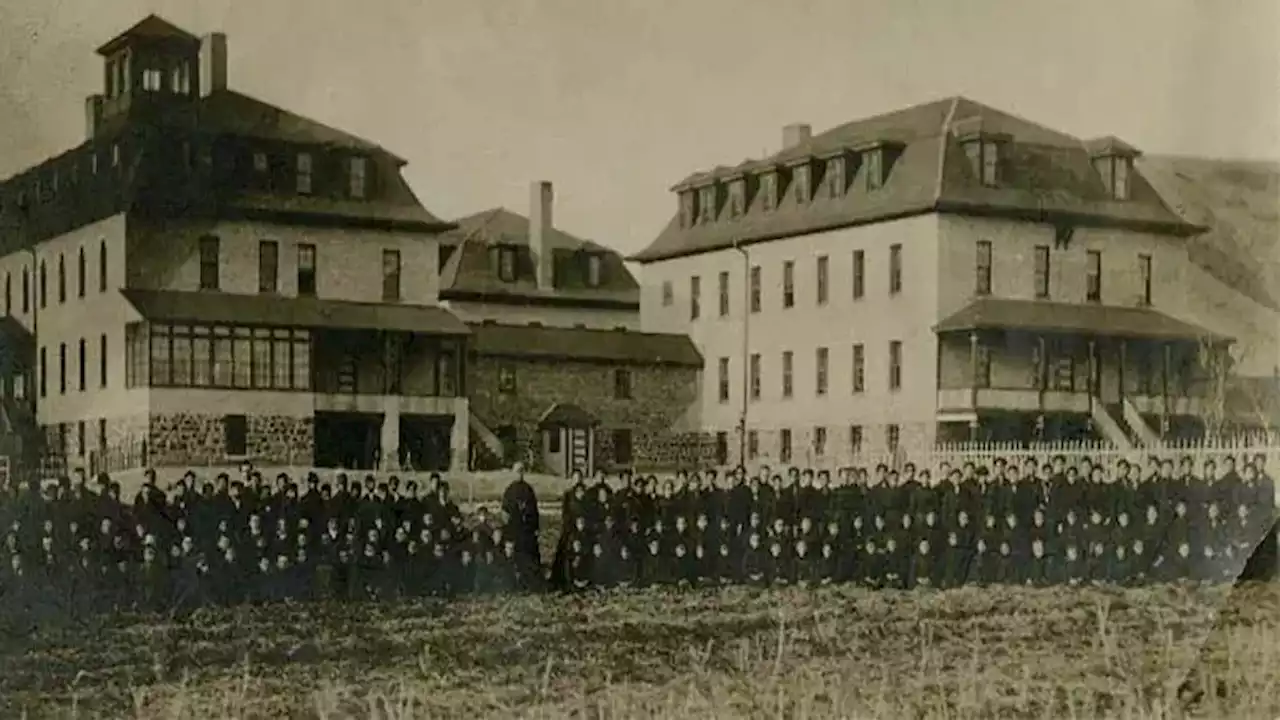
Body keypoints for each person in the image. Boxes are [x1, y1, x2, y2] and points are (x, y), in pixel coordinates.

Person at [501, 463, 541, 569]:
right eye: (517, 471)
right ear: (513, 473)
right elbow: (505, 510)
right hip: (514, 527)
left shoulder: (528, 489)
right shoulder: (509, 490)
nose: (519, 474)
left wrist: (536, 527)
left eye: (521, 471)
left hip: (527, 528)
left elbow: (534, 510)